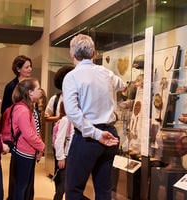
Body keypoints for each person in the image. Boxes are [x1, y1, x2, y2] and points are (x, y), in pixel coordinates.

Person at [62, 34, 125, 200]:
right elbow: (123, 85)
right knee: (104, 190)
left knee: (73, 190)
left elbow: (73, 113)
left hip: (88, 137)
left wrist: (96, 134)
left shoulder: (72, 77)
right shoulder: (106, 72)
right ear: (94, 54)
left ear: (72, 54)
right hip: (110, 134)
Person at [8, 78, 45, 200]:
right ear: (30, 92)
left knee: (24, 187)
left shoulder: (27, 108)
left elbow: (34, 131)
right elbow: (29, 134)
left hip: (28, 152)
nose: (40, 91)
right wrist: (42, 146)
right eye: (38, 88)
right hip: (23, 153)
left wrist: (38, 149)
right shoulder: (23, 109)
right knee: (21, 187)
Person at [52, 102, 74, 200]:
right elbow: (59, 140)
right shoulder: (65, 120)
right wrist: (61, 157)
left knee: (71, 184)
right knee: (63, 185)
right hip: (67, 155)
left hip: (75, 155)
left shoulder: (76, 119)